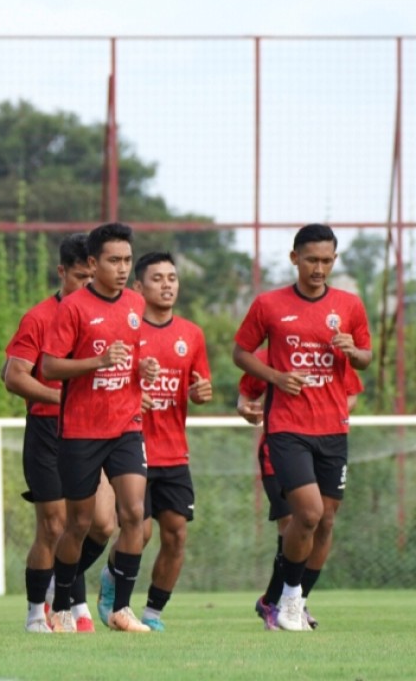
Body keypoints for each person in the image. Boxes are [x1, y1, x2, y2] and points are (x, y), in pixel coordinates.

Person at [233, 223, 371, 632]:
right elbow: (241, 352)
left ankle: (294, 600)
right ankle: (288, 600)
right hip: (287, 427)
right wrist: (274, 377)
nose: (319, 268)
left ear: (334, 260)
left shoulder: (349, 305)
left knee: (326, 520)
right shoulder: (269, 304)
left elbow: (364, 358)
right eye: (311, 259)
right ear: (294, 258)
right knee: (306, 514)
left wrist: (353, 351)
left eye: (327, 260)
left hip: (333, 429)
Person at [40, 222, 159, 634]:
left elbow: (134, 354)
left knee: (134, 514)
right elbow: (49, 366)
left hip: (126, 424)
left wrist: (142, 368)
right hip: (81, 431)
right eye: (114, 260)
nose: (123, 268)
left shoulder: (134, 304)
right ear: (93, 263)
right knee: (79, 524)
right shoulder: (72, 308)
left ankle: (121, 609)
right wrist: (97, 362)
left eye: (127, 260)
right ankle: (58, 603)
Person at [2, 233, 116, 633]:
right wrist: (58, 395)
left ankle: (59, 584)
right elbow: (13, 376)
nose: (87, 286)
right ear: (61, 272)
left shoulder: (108, 314)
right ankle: (38, 612)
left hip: (93, 430)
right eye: (80, 278)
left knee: (101, 524)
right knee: (52, 526)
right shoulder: (39, 317)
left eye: (92, 277)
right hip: (49, 430)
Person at [93, 252, 211, 631]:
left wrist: (201, 392)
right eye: (157, 278)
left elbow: (198, 386)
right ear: (138, 287)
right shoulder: (127, 330)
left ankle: (153, 614)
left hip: (174, 451)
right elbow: (106, 382)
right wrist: (130, 395)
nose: (167, 284)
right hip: (131, 446)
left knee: (176, 533)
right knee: (139, 531)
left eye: (172, 278)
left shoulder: (191, 334)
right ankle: (112, 584)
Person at [239, 348, 361, 630]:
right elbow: (246, 393)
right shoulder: (270, 353)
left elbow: (351, 392)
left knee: (323, 522)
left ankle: (295, 602)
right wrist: (245, 407)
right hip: (279, 450)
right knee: (292, 525)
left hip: (326, 444)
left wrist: (327, 413)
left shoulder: (331, 350)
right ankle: (274, 602)